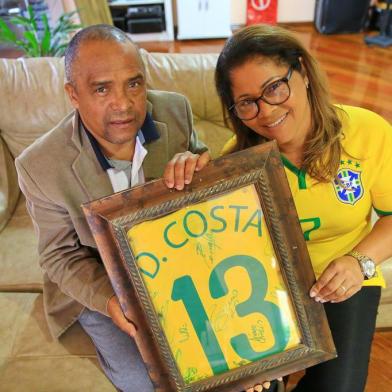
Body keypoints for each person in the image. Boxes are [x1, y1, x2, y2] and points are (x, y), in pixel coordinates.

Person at [15, 24, 274, 392]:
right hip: (107, 282)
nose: (123, 104)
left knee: (226, 358)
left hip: (177, 267)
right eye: (101, 88)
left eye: (134, 84)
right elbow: (58, 256)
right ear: (73, 94)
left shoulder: (174, 110)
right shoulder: (39, 165)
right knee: (144, 380)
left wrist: (198, 168)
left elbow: (205, 185)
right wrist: (110, 300)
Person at [215, 24, 392, 392]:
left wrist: (360, 262)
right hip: (267, 290)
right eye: (248, 102)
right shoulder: (235, 161)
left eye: (274, 88)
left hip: (345, 280)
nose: (267, 112)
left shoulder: (367, 131)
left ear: (304, 72)